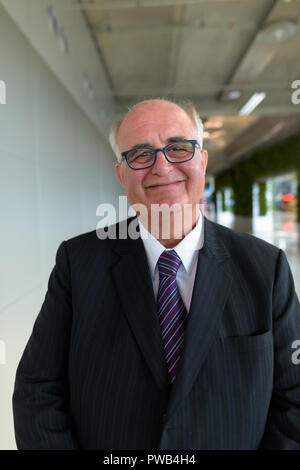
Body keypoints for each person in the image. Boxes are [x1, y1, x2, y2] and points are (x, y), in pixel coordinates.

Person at [13, 99, 300, 450]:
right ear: (121, 173)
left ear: (203, 160)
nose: (162, 167)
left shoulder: (264, 268)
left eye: (179, 148)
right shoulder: (78, 263)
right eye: (140, 154)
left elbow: (295, 398)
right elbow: (37, 389)